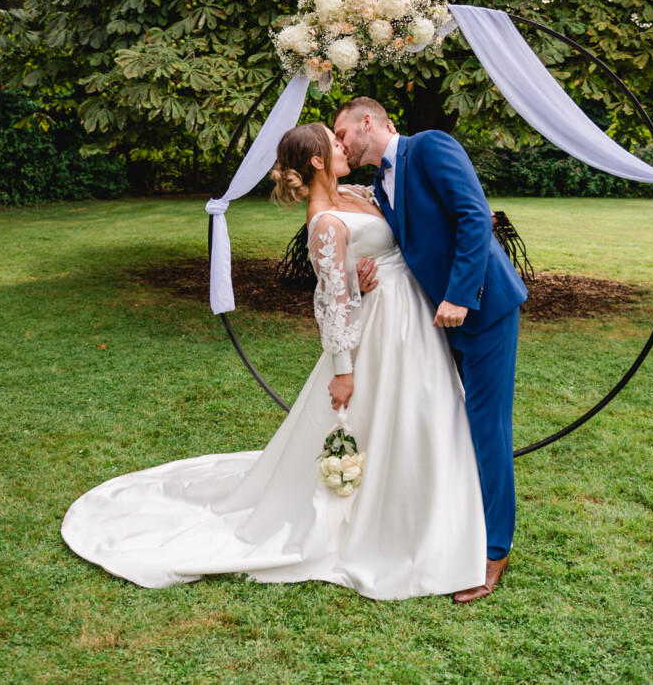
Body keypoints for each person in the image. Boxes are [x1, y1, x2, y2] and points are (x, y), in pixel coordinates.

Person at [61, 122, 487, 600]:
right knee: (387, 417)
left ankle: (434, 508)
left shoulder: (356, 193)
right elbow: (329, 300)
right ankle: (391, 521)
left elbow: (383, 238)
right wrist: (343, 370)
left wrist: (357, 279)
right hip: (380, 329)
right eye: (335, 140)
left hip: (407, 315)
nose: (343, 144)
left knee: (425, 412)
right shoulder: (324, 221)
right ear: (319, 160)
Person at [332, 97, 527, 603]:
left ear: (366, 122)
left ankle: (495, 549)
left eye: (342, 133)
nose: (341, 144)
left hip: (483, 309)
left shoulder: (431, 146)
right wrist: (359, 273)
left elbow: (474, 216)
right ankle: (457, 528)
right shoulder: (381, 184)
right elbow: (401, 246)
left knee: (488, 426)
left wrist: (461, 295)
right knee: (454, 424)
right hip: (434, 322)